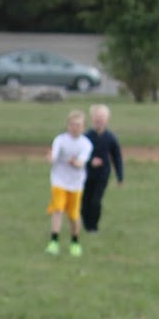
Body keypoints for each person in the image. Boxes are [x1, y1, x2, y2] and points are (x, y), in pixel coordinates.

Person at [46, 110, 92, 257]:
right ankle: (54, 241)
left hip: (76, 184)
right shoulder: (60, 139)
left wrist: (76, 162)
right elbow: (54, 154)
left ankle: (75, 242)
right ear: (67, 126)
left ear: (84, 127)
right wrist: (51, 158)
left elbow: (81, 162)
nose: (75, 128)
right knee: (58, 209)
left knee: (73, 215)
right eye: (72, 125)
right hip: (59, 180)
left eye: (78, 125)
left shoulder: (86, 144)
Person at [80, 104, 124, 233]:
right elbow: (80, 155)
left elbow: (117, 158)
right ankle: (86, 223)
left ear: (107, 119)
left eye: (102, 117)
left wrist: (120, 176)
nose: (99, 120)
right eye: (96, 117)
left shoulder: (111, 138)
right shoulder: (86, 137)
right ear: (92, 119)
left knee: (96, 200)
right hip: (86, 175)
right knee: (85, 201)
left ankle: (93, 227)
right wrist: (90, 160)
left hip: (102, 175)